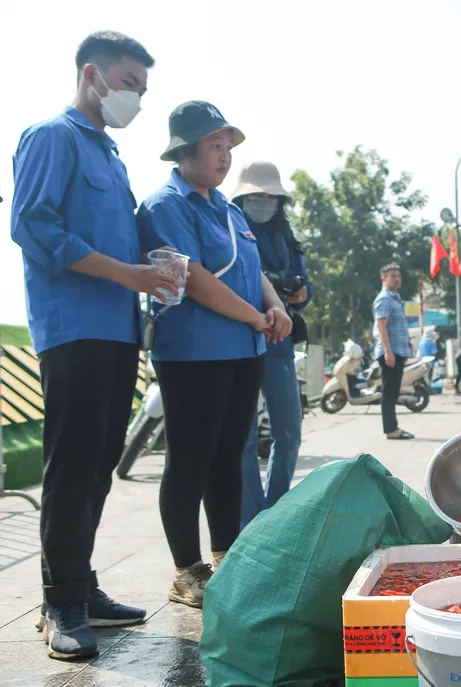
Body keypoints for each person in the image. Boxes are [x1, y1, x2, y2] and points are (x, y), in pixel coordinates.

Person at [11, 31, 168, 660]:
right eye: (131, 84)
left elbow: (120, 242)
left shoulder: (110, 155)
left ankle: (82, 585)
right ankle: (60, 603)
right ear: (92, 75)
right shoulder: (51, 136)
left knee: (99, 464)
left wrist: (153, 270)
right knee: (72, 467)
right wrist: (126, 274)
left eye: (144, 90)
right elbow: (33, 224)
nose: (137, 98)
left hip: (116, 329)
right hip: (71, 327)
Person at [138, 101, 292, 609]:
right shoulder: (166, 205)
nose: (224, 156)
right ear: (184, 150)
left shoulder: (226, 208)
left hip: (243, 350)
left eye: (228, 146)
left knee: (229, 456)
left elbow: (255, 268)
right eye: (214, 145)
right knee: (190, 459)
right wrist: (254, 316)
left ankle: (226, 558)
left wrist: (273, 307)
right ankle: (186, 571)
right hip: (194, 352)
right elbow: (196, 280)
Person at [231, 162, 311, 530]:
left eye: (270, 197)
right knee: (243, 435)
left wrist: (299, 292)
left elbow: (304, 291)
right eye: (256, 196)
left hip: (280, 342)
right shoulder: (230, 227)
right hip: (240, 337)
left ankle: (275, 512)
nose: (263, 202)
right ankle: (251, 518)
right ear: (242, 198)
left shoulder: (286, 237)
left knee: (290, 431)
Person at [372, 264, 413, 439]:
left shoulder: (396, 298)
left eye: (398, 275)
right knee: (389, 392)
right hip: (390, 352)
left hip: (398, 351)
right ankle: (391, 429)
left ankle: (393, 427)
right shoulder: (384, 299)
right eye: (392, 276)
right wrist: (388, 352)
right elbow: (381, 326)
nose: (397, 279)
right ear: (384, 278)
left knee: (394, 391)